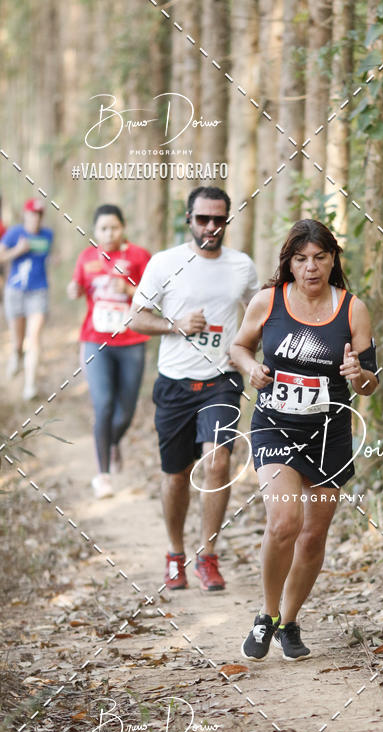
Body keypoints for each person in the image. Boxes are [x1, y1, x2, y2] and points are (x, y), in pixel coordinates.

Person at [230, 219, 379, 662]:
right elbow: (238, 346)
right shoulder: (268, 301)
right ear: (289, 263)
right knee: (284, 522)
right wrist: (248, 368)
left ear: (333, 260)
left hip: (330, 431)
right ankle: (266, 615)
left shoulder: (353, 310)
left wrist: (360, 376)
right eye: (301, 259)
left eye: (319, 258)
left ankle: (289, 622)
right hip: (274, 424)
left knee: (313, 537)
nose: (310, 268)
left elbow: (371, 383)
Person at [130, 186, 260, 592]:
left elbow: (261, 318)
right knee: (176, 476)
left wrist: (251, 356)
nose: (210, 226)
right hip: (174, 384)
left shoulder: (242, 266)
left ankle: (208, 555)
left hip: (221, 383)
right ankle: (174, 554)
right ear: (188, 219)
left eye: (218, 219)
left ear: (226, 222)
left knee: (218, 464)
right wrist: (176, 325)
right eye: (202, 218)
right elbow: (136, 317)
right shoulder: (165, 263)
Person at [67, 205, 151, 499]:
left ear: (123, 227)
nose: (109, 233)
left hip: (132, 341)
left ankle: (113, 441)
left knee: (125, 411)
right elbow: (75, 287)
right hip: (95, 341)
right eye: (103, 228)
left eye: (114, 227)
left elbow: (153, 296)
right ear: (95, 231)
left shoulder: (139, 257)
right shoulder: (87, 258)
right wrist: (73, 290)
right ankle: (103, 476)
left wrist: (130, 291)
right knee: (103, 405)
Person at [0, 198, 53, 400]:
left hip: (38, 291)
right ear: (25, 214)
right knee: (19, 340)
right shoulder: (14, 233)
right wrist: (17, 251)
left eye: (39, 215)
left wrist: (52, 260)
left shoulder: (48, 235)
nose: (35, 218)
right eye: (32, 214)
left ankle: (30, 385)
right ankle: (16, 354)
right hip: (15, 291)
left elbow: (47, 256)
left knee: (34, 338)